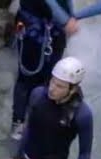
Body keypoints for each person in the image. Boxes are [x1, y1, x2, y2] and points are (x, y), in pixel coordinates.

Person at [1, 56, 93, 159]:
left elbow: (84, 153)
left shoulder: (81, 115)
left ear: (72, 89)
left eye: (60, 86)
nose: (52, 89)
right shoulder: (37, 95)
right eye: (52, 82)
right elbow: (29, 129)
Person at [9, 0, 80, 141]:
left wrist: (71, 16)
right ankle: (18, 123)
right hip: (33, 27)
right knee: (26, 77)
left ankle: (40, 122)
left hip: (55, 29)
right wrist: (66, 20)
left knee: (50, 78)